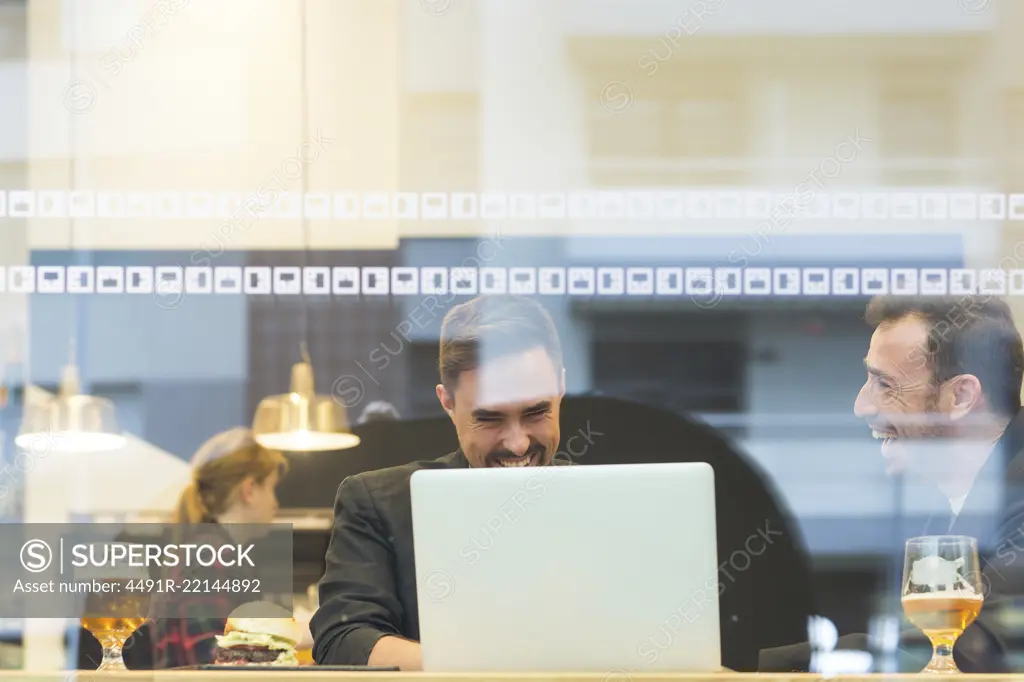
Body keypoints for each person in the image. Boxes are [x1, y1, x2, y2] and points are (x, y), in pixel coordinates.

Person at [759, 295, 1024, 672]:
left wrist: (756, 663)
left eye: (885, 384)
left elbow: (965, 648)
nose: (861, 406)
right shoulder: (952, 506)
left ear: (961, 396)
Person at [311, 294, 567, 670]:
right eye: (490, 419)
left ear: (560, 388)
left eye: (536, 412)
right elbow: (342, 642)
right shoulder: (380, 504)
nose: (518, 443)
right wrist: (493, 666)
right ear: (447, 403)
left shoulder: (618, 505)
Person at [147, 428, 311, 667]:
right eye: (271, 488)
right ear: (249, 490)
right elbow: (213, 657)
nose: (275, 502)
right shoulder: (211, 556)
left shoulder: (210, 551)